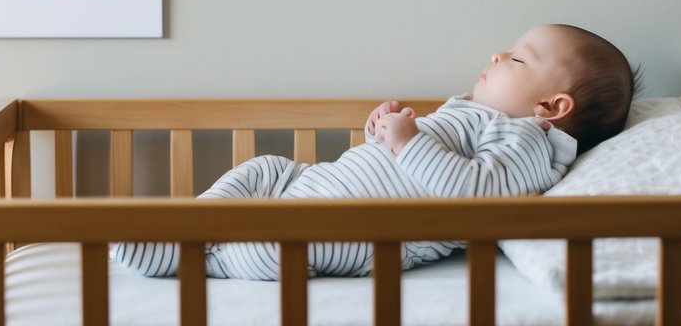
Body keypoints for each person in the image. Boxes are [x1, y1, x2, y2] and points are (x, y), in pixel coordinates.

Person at [112, 24, 639, 280]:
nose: (498, 54)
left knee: (271, 244)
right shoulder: (475, 113)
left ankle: (201, 260)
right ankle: (189, 225)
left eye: (519, 59)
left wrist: (407, 141)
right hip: (317, 184)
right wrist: (381, 132)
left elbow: (475, 198)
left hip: (359, 231)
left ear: (550, 105)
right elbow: (403, 163)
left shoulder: (525, 141)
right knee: (266, 167)